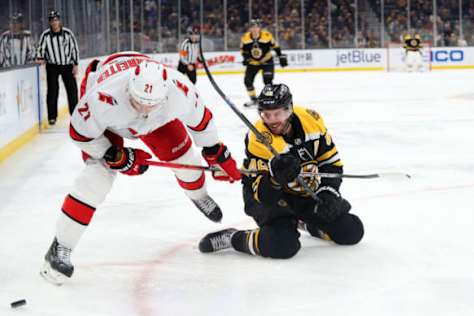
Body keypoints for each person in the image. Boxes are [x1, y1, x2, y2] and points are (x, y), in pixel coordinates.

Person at [40, 51, 241, 285]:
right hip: (111, 119)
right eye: (138, 102)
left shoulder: (180, 90)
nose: (144, 109)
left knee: (185, 159)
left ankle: (200, 196)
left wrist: (215, 152)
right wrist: (114, 154)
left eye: (150, 104)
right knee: (97, 178)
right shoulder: (103, 96)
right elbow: (79, 133)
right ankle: (60, 246)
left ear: (165, 93)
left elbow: (202, 122)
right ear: (129, 89)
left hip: (157, 121)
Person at [199, 84, 364, 259]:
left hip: (305, 192)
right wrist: (275, 179)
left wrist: (329, 193)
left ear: (289, 109)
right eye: (266, 114)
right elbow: (262, 194)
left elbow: (331, 163)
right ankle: (233, 237)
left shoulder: (312, 121)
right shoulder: (258, 137)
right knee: (283, 244)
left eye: (277, 113)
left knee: (351, 230)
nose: (271, 120)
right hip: (272, 198)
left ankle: (305, 223)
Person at [36, 10, 79, 125]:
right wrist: (40, 57)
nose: (54, 22)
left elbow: (74, 48)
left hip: (67, 65)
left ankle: (75, 114)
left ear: (59, 20)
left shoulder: (68, 33)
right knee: (52, 91)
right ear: (49, 22)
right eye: (52, 20)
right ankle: (52, 117)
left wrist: (75, 64)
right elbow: (41, 48)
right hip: (52, 66)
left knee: (72, 91)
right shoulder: (45, 35)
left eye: (56, 20)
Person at [240, 19, 288, 107]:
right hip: (253, 63)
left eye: (256, 27)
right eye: (252, 27)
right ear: (250, 29)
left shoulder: (267, 36)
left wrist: (280, 56)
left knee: (268, 80)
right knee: (247, 81)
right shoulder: (245, 38)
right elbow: (243, 51)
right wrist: (246, 58)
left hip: (267, 61)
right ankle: (254, 99)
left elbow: (275, 46)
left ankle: (270, 98)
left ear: (259, 28)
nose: (254, 29)